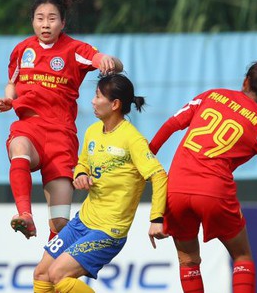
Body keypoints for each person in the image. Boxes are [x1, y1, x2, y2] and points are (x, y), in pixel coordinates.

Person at [149, 54, 257, 293]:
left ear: (245, 81)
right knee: (242, 257)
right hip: (214, 191)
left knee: (188, 260)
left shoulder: (211, 96)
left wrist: (148, 154)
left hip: (177, 187)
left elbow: (172, 125)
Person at [0, 0, 123, 240]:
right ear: (32, 21)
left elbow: (103, 60)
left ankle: (54, 275)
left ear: (62, 23)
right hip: (30, 126)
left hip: (61, 137)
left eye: (52, 18)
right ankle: (25, 215)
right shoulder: (22, 50)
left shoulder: (74, 49)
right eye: (40, 18)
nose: (45, 24)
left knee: (61, 223)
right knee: (18, 147)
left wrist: (109, 61)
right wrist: (9, 99)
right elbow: (12, 84)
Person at [33, 73, 169, 292]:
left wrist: (156, 219)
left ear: (115, 104)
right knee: (41, 273)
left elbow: (160, 176)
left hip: (108, 231)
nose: (92, 101)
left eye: (97, 96)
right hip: (82, 222)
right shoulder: (93, 131)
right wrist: (80, 175)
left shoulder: (132, 139)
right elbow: (82, 163)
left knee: (58, 274)